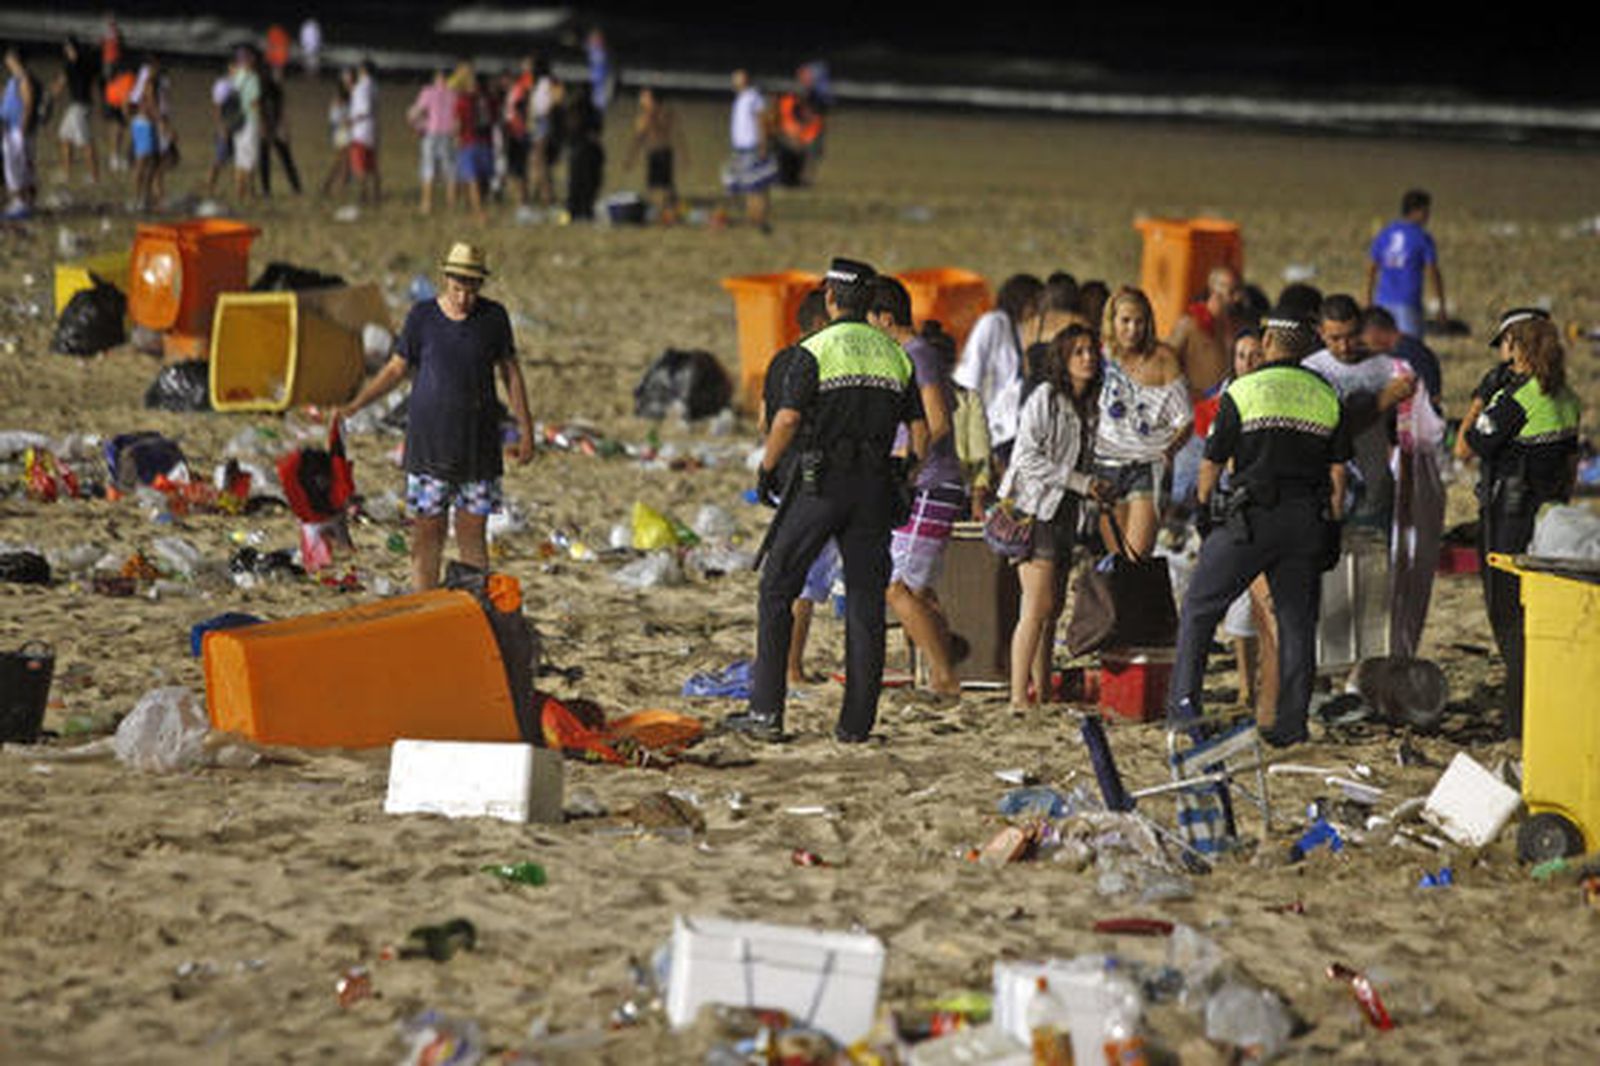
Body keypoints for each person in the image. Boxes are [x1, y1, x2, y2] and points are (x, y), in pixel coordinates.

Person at [725, 257, 927, 743]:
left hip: (821, 484)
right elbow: (920, 431)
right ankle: (856, 725)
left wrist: (767, 468)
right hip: (874, 486)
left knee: (777, 588)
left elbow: (787, 419)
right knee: (864, 601)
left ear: (831, 298)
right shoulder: (894, 354)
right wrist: (905, 472)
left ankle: (766, 714)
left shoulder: (814, 350)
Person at [1168, 311, 1351, 747]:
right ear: (1306, 347)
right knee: (1296, 623)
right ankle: (1290, 725)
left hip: (1249, 521)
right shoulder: (1326, 393)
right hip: (1304, 520)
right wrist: (1331, 524)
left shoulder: (1244, 390)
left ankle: (1185, 711)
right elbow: (1338, 473)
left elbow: (1211, 463)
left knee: (1200, 608)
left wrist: (1205, 514)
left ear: (1267, 342)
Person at [339, 242, 534, 592]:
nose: (464, 298)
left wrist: (526, 429)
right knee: (428, 534)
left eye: (471, 289)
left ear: (480, 285)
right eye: (457, 288)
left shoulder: (493, 318)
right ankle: (424, 605)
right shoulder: (422, 317)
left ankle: (473, 604)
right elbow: (396, 369)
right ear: (446, 280)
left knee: (472, 533)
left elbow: (510, 373)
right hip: (429, 446)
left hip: (478, 449)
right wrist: (358, 403)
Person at [1464, 308, 1582, 737]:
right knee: (1541, 616)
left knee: (1509, 619)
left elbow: (1468, 444)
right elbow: (1570, 463)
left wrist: (1482, 401)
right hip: (1551, 519)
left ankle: (1518, 720)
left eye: (1504, 344)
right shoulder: (1568, 397)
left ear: (1516, 345)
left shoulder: (1517, 400)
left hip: (1508, 521)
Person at [868, 276, 967, 699]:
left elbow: (938, 421)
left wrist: (907, 465)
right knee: (918, 592)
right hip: (925, 484)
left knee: (898, 589)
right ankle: (944, 667)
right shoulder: (909, 356)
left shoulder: (917, 355)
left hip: (930, 484)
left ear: (884, 318)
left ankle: (944, 676)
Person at [1002, 325, 1107, 708]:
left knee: (1053, 609)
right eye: (1078, 352)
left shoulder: (1092, 405)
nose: (1087, 358)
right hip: (1035, 508)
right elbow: (1025, 458)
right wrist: (1080, 482)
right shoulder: (1045, 398)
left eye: (1091, 350)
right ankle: (1018, 696)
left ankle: (1043, 691)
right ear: (1063, 359)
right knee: (1036, 606)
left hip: (1067, 512)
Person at [1362, 305, 1447, 659]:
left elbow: (1413, 430)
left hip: (1401, 475)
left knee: (1397, 565)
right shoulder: (1414, 355)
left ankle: (1392, 651)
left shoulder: (1402, 363)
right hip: (1407, 475)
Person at [1302, 294, 1416, 528]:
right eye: (1335, 338)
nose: (1344, 347)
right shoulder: (1311, 371)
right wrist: (1382, 400)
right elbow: (1331, 431)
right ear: (1321, 332)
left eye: (1351, 336)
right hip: (1330, 493)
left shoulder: (1387, 367)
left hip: (1377, 489)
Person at [1094, 286, 1191, 560]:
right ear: (1112, 321)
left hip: (1147, 466)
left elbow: (1185, 421)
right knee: (1116, 558)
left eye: (1139, 321)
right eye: (1125, 321)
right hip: (1105, 465)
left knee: (1136, 557)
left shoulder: (1163, 360)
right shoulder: (1098, 357)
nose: (1132, 329)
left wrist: (1169, 451)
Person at [951, 273, 1043, 497]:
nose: (1037, 309)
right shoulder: (992, 323)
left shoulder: (1017, 329)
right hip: (983, 423)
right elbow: (970, 374)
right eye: (1035, 302)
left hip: (1004, 427)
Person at [1167, 265, 1247, 511]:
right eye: (1230, 290)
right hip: (1194, 415)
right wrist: (1188, 392)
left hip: (1224, 411)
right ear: (1214, 289)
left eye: (1237, 290)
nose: (1235, 297)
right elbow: (1167, 361)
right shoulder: (1189, 324)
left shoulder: (1235, 327)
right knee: (1184, 489)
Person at [1364, 189, 1446, 338]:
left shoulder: (1385, 233)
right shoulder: (1422, 237)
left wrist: (1368, 299)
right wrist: (1440, 303)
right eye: (1426, 211)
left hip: (1382, 301)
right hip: (1408, 302)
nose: (1428, 216)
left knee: (1383, 347)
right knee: (1410, 347)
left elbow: (1371, 268)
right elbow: (1432, 271)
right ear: (1417, 211)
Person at [723, 69, 776, 231]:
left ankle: (760, 219)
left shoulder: (754, 97)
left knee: (757, 186)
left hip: (752, 146)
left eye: (737, 78)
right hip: (740, 148)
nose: (734, 82)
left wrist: (763, 145)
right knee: (747, 185)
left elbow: (761, 121)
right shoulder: (741, 98)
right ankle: (751, 218)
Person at [624, 87, 683, 221]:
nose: (641, 100)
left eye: (644, 97)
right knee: (663, 186)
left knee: (659, 187)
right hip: (661, 153)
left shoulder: (651, 116)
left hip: (659, 153)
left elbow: (638, 139)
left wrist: (630, 158)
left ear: (652, 100)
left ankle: (665, 213)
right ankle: (668, 211)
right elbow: (677, 135)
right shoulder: (664, 113)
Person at [407, 68, 457, 215]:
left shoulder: (428, 92)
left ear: (436, 78)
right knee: (450, 170)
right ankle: (451, 204)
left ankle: (427, 204)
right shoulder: (454, 94)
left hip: (431, 133)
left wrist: (418, 127)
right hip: (448, 134)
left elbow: (414, 114)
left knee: (428, 168)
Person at [53, 37, 99, 184]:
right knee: (65, 137)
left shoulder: (70, 66)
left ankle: (94, 176)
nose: (66, 51)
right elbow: (94, 82)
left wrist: (52, 93)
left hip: (78, 107)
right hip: (81, 105)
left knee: (85, 142)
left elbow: (59, 85)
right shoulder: (87, 63)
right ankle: (66, 174)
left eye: (67, 49)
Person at [2, 46, 40, 214]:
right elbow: (8, 98)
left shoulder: (24, 79)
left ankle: (20, 202)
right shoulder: (15, 79)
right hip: (10, 127)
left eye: (9, 59)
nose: (7, 62)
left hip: (17, 129)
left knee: (15, 167)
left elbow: (28, 104)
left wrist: (22, 129)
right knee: (19, 166)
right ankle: (26, 203)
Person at [453, 68, 494, 223]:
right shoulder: (487, 99)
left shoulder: (462, 101)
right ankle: (479, 209)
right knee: (482, 179)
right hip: (485, 143)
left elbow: (458, 123)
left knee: (472, 179)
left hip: (468, 142)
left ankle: (478, 212)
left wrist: (456, 138)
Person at [563, 85, 604, 222]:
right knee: (588, 184)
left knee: (576, 183)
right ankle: (585, 210)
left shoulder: (574, 110)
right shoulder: (593, 111)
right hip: (588, 151)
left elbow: (569, 130)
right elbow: (596, 134)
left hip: (579, 150)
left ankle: (575, 211)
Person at [258, 66, 300, 196]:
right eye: (278, 73)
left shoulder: (278, 90)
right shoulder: (264, 88)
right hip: (267, 126)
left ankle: (296, 187)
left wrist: (284, 127)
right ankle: (266, 189)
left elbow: (281, 111)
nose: (280, 76)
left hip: (275, 127)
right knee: (265, 159)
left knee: (285, 157)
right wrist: (263, 125)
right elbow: (259, 107)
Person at [229, 46, 262, 202]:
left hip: (236, 120)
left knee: (240, 158)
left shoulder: (234, 76)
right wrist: (261, 119)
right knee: (250, 158)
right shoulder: (253, 77)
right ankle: (250, 192)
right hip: (249, 120)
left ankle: (239, 191)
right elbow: (255, 102)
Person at [348, 59, 379, 203]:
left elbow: (364, 109)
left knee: (359, 166)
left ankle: (363, 195)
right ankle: (376, 194)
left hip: (360, 130)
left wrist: (352, 120)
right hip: (371, 129)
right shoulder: (374, 86)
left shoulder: (361, 87)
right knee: (371, 165)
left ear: (363, 70)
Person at [318, 68, 352, 196]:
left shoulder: (353, 95)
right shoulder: (338, 98)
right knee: (344, 161)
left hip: (348, 130)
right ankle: (335, 187)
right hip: (341, 131)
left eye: (350, 79)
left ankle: (329, 186)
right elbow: (334, 117)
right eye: (346, 80)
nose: (349, 82)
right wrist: (345, 122)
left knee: (342, 161)